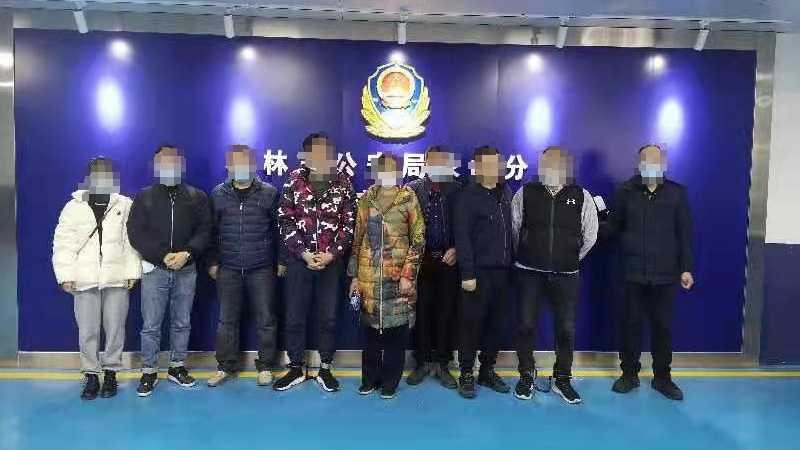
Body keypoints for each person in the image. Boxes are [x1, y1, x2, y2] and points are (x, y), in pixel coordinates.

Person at [511, 145, 598, 405]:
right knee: (526, 325)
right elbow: (515, 229)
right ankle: (526, 375)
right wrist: (528, 253)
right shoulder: (525, 193)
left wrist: (568, 257)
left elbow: (590, 235)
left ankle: (562, 379)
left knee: (566, 329)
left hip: (566, 275)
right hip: (529, 272)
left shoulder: (581, 195)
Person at [608, 144, 694, 401]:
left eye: (656, 160)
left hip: (665, 275)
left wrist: (686, 268)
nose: (651, 165)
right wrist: (585, 227)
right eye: (646, 160)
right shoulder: (625, 191)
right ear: (639, 163)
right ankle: (629, 374)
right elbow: (613, 227)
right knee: (630, 326)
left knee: (662, 328)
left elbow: (684, 234)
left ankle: (662, 378)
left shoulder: (677, 194)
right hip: (631, 273)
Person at [52, 157, 141, 400]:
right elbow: (63, 243)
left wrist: (132, 272)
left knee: (115, 329)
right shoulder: (73, 207)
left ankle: (111, 373)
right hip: (84, 279)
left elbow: (131, 242)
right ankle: (91, 374)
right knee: (88, 330)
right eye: (97, 174)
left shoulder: (124, 204)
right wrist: (66, 275)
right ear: (88, 177)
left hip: (116, 278)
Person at [127, 144, 212, 397]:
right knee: (151, 325)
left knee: (182, 322)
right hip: (155, 270)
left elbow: (205, 230)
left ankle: (177, 367)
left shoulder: (196, 196)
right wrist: (162, 255)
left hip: (187, 270)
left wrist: (187, 253)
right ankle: (149, 371)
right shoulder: (145, 197)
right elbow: (135, 232)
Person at [275, 132, 356, 393]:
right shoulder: (294, 181)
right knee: (295, 317)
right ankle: (295, 368)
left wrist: (332, 254)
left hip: (331, 263)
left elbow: (349, 224)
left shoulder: (343, 182)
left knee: (328, 318)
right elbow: (284, 220)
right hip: (300, 261)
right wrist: (303, 253)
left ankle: (325, 368)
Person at [206, 146, 284, 388]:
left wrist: (281, 261)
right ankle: (225, 366)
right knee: (226, 320)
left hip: (261, 267)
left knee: (266, 319)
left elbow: (280, 230)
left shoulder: (269, 193)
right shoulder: (218, 194)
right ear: (228, 166)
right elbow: (211, 232)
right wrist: (212, 262)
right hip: (228, 267)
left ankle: (266, 366)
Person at [349, 152, 425, 399]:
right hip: (369, 278)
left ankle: (390, 382)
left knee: (396, 334)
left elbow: (418, 239)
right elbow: (357, 239)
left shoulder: (408, 198)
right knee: (369, 334)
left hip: (398, 279)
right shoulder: (367, 198)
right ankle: (369, 379)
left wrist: (408, 275)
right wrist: (354, 276)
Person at [452, 146, 514, 399]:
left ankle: (487, 371)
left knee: (496, 325)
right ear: (477, 167)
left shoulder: (506, 193)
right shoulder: (466, 196)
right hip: (477, 273)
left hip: (503, 272)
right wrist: (467, 274)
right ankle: (466, 373)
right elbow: (462, 237)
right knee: (471, 325)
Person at [405, 145, 462, 389]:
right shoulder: (412, 190)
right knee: (421, 314)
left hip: (449, 261)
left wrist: (457, 248)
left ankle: (442, 363)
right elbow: (404, 227)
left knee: (446, 313)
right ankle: (421, 362)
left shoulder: (457, 190)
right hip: (421, 262)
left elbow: (466, 225)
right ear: (425, 164)